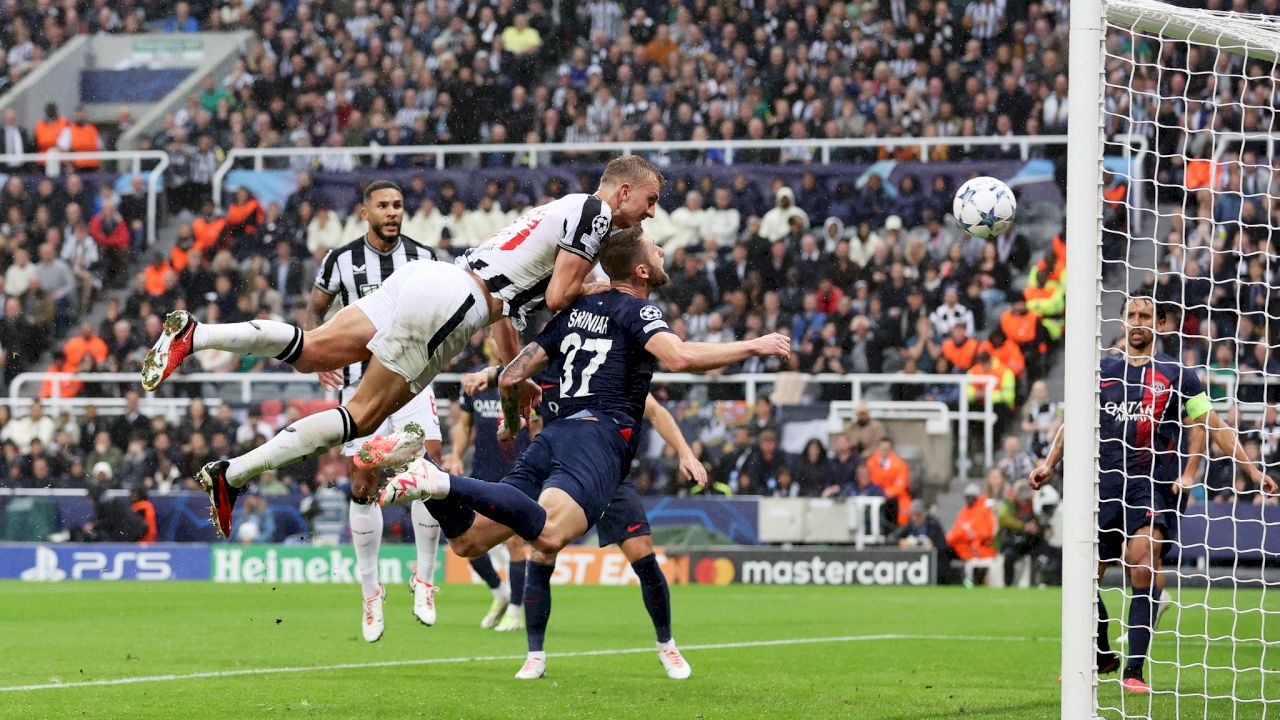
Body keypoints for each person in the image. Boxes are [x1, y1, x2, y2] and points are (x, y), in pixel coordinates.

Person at [140, 156, 663, 538]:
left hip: (432, 277)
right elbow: (557, 296)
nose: (651, 214)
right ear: (623, 191)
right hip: (456, 303)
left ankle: (196, 335)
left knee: (313, 349)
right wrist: (602, 287)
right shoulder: (595, 214)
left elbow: (509, 313)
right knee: (362, 417)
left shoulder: (563, 210)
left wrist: (514, 372)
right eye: (650, 201)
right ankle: (233, 474)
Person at [379, 227, 790, 679]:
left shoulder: (575, 311)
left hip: (553, 437)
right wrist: (753, 345)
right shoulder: (639, 310)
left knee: (468, 542)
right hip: (597, 441)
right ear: (640, 270)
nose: (661, 251)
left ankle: (425, 470)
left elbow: (513, 375)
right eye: (655, 249)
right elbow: (680, 358)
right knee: (549, 537)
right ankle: (439, 480)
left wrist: (512, 421)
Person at [1030, 296, 1275, 694]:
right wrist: (1049, 464)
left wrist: (1252, 470)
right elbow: (1073, 420)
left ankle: (1135, 670)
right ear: (1122, 322)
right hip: (1103, 486)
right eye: (1132, 315)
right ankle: (1100, 653)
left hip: (1151, 487)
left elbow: (1213, 423)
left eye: (1145, 316)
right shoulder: (1103, 371)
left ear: (1159, 324)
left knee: (1141, 562)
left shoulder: (1178, 374)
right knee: (1084, 577)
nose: (1138, 321)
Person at [302, 185, 445, 643]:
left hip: (412, 377)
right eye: (383, 206)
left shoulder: (424, 258)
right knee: (363, 484)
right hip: (360, 385)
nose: (392, 213)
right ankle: (370, 592)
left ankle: (425, 579)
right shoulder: (340, 260)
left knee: (429, 473)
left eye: (398, 206)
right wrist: (317, 355)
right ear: (365, 212)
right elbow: (315, 310)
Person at [447, 342, 533, 631]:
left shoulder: (523, 378)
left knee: (514, 542)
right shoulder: (475, 380)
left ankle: (516, 611)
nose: (495, 339)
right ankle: (499, 593)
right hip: (482, 472)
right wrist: (456, 455)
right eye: (491, 335)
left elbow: (536, 425)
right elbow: (464, 426)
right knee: (467, 539)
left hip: (516, 473)